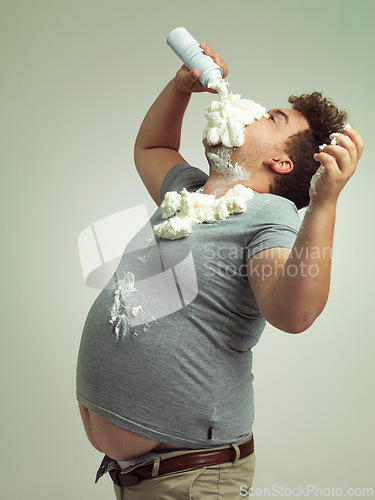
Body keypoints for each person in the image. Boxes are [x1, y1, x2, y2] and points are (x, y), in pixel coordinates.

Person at [76, 42, 363, 499]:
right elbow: (153, 145)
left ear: (281, 162)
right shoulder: (188, 190)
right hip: (142, 475)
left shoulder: (267, 215)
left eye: (272, 118)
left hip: (190, 479)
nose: (250, 110)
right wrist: (180, 89)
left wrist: (324, 203)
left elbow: (294, 314)